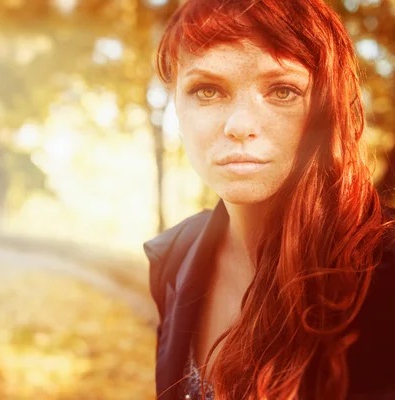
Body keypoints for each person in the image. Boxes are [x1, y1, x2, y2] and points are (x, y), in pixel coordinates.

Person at [143, 0, 395, 399]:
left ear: (325, 107)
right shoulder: (172, 258)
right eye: (207, 90)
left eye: (282, 91)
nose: (240, 126)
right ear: (177, 102)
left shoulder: (384, 275)